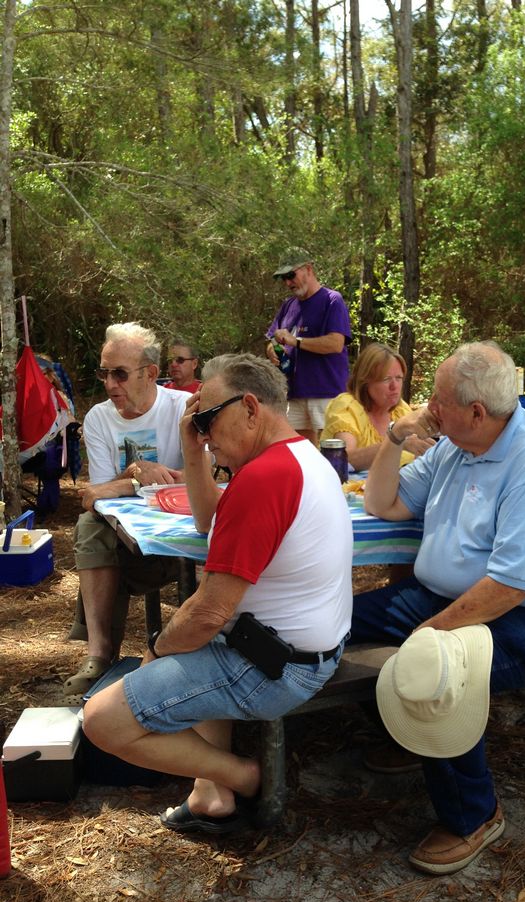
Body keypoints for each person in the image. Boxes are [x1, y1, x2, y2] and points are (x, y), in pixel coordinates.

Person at [348, 341, 525, 875]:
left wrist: (426, 638)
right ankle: (409, 736)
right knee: (338, 623)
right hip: (448, 599)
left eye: (436, 400)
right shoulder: (456, 444)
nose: (426, 407)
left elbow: (512, 587)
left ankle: (474, 816)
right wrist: (395, 436)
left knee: (439, 673)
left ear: (476, 411)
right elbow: (382, 502)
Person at [83, 353, 353, 836]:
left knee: (101, 720)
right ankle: (210, 794)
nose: (202, 432)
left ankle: (246, 777)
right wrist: (192, 450)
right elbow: (209, 523)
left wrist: (155, 650)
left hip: (275, 668)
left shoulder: (264, 479)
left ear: (250, 408)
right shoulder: (299, 457)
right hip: (303, 651)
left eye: (206, 418)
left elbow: (207, 613)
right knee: (197, 641)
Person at [61, 322, 187, 705]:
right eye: (104, 372)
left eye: (120, 373)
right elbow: (100, 501)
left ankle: (171, 661)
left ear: (150, 373)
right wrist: (138, 473)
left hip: (181, 540)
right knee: (92, 526)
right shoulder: (99, 418)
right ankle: (99, 656)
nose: (110, 383)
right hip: (124, 539)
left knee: (94, 534)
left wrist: (125, 483)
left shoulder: (180, 408)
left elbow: (199, 481)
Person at [265, 248, 351, 444]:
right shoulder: (288, 305)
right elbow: (272, 339)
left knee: (330, 451)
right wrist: (271, 350)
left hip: (326, 392)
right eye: (283, 278)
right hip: (294, 393)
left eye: (291, 275)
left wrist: (295, 342)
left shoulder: (331, 300)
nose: (287, 283)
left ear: (308, 269)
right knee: (297, 451)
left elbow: (336, 343)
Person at [322, 343, 437, 470]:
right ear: (365, 381)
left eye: (398, 378)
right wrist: (397, 443)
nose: (394, 386)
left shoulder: (400, 410)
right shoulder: (347, 406)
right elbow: (344, 459)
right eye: (386, 379)